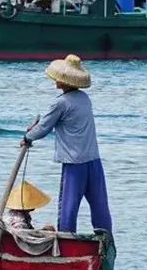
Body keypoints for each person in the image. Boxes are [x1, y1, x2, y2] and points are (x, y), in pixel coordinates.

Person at [23, 54, 113, 235]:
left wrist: (27, 137)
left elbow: (43, 128)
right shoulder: (85, 99)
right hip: (93, 161)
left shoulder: (60, 103)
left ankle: (65, 240)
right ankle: (106, 239)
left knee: (68, 207)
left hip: (74, 163)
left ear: (64, 80)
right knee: (99, 204)